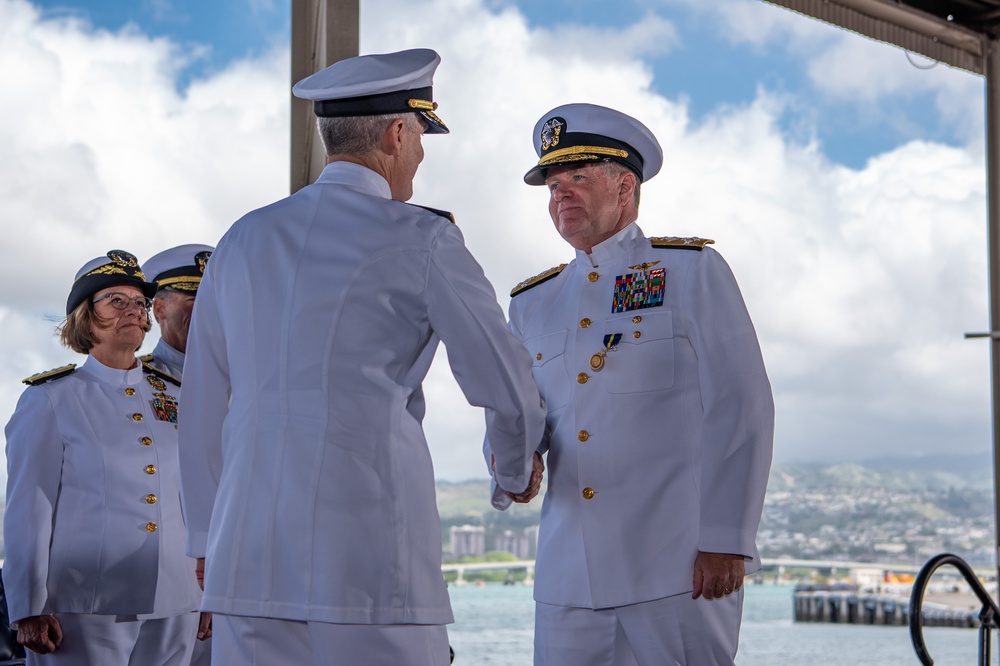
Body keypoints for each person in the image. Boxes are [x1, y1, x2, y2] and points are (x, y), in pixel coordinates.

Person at [176, 48, 546, 666]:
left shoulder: (241, 239)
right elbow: (503, 381)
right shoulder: (422, 237)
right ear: (397, 133)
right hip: (370, 564)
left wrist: (205, 539)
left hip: (247, 567)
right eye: (422, 136)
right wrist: (513, 471)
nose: (422, 156)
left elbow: (202, 403)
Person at [488, 103, 775, 666]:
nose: (560, 194)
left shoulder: (690, 272)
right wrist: (511, 468)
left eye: (578, 177)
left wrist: (727, 538)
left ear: (626, 186)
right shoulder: (531, 303)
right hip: (569, 579)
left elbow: (741, 405)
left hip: (676, 567)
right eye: (552, 183)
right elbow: (515, 412)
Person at [4, 250, 202, 665]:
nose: (133, 310)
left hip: (177, 596)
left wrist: (209, 588)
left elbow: (199, 494)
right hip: (85, 602)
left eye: (140, 302)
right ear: (85, 315)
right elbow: (29, 508)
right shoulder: (51, 399)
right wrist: (27, 605)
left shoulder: (176, 396)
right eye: (116, 300)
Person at [141, 244, 216, 665]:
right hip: (171, 587)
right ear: (159, 310)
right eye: (191, 299)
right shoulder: (134, 388)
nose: (204, 311)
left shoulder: (250, 382)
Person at [140, 244, 215, 382]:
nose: (208, 310)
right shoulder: (134, 378)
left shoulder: (239, 376)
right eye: (194, 301)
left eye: (214, 301)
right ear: (160, 308)